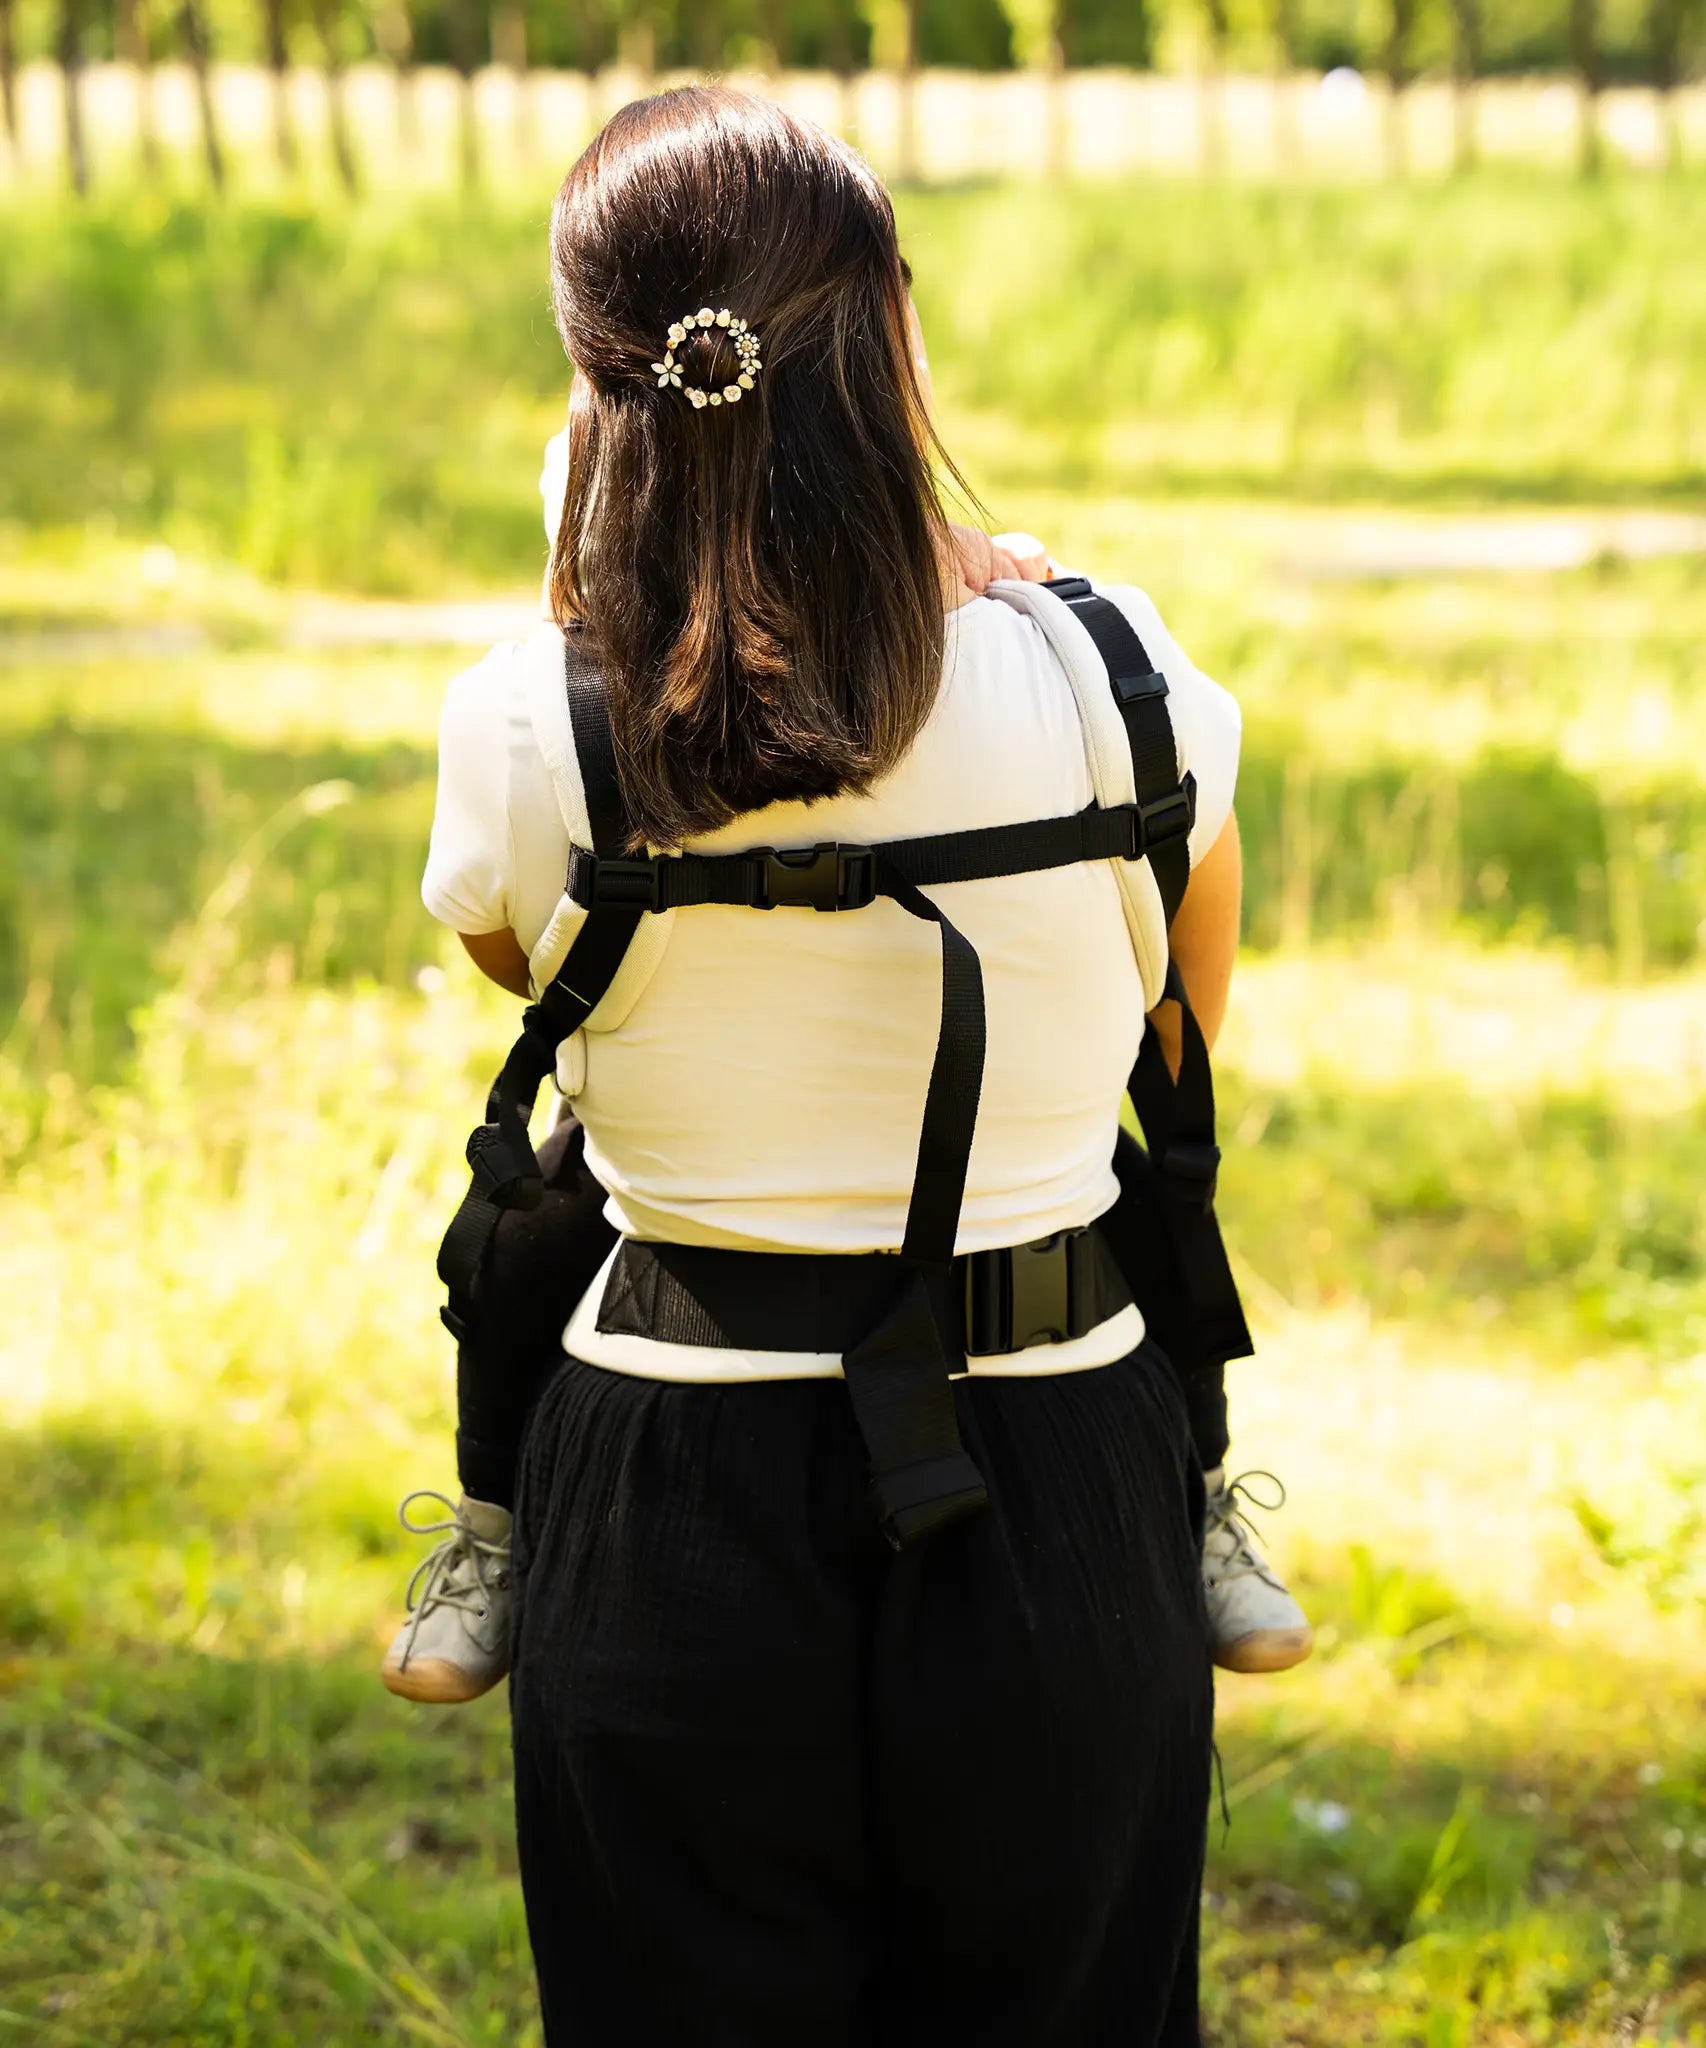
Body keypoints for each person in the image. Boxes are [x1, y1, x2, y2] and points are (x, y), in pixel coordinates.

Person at [385, 85, 1304, 2041]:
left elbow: (520, 966)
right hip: (1061, 1444)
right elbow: (1174, 1020)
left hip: (672, 1463)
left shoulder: (530, 718)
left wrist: (599, 598)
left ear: (596, 378)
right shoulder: (1111, 670)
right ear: (888, 333)